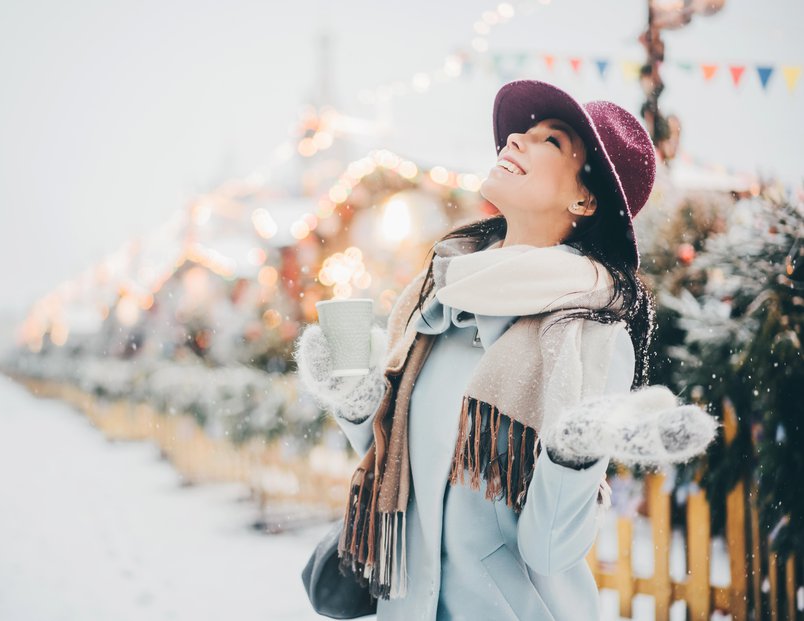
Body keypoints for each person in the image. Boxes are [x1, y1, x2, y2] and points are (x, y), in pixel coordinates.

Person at [295, 79, 719, 621]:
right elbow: (403, 472)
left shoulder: (588, 333)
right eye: (523, 129)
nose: (517, 136)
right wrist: (356, 399)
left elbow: (548, 551)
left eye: (551, 140)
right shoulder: (438, 300)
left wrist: (574, 454)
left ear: (584, 198)